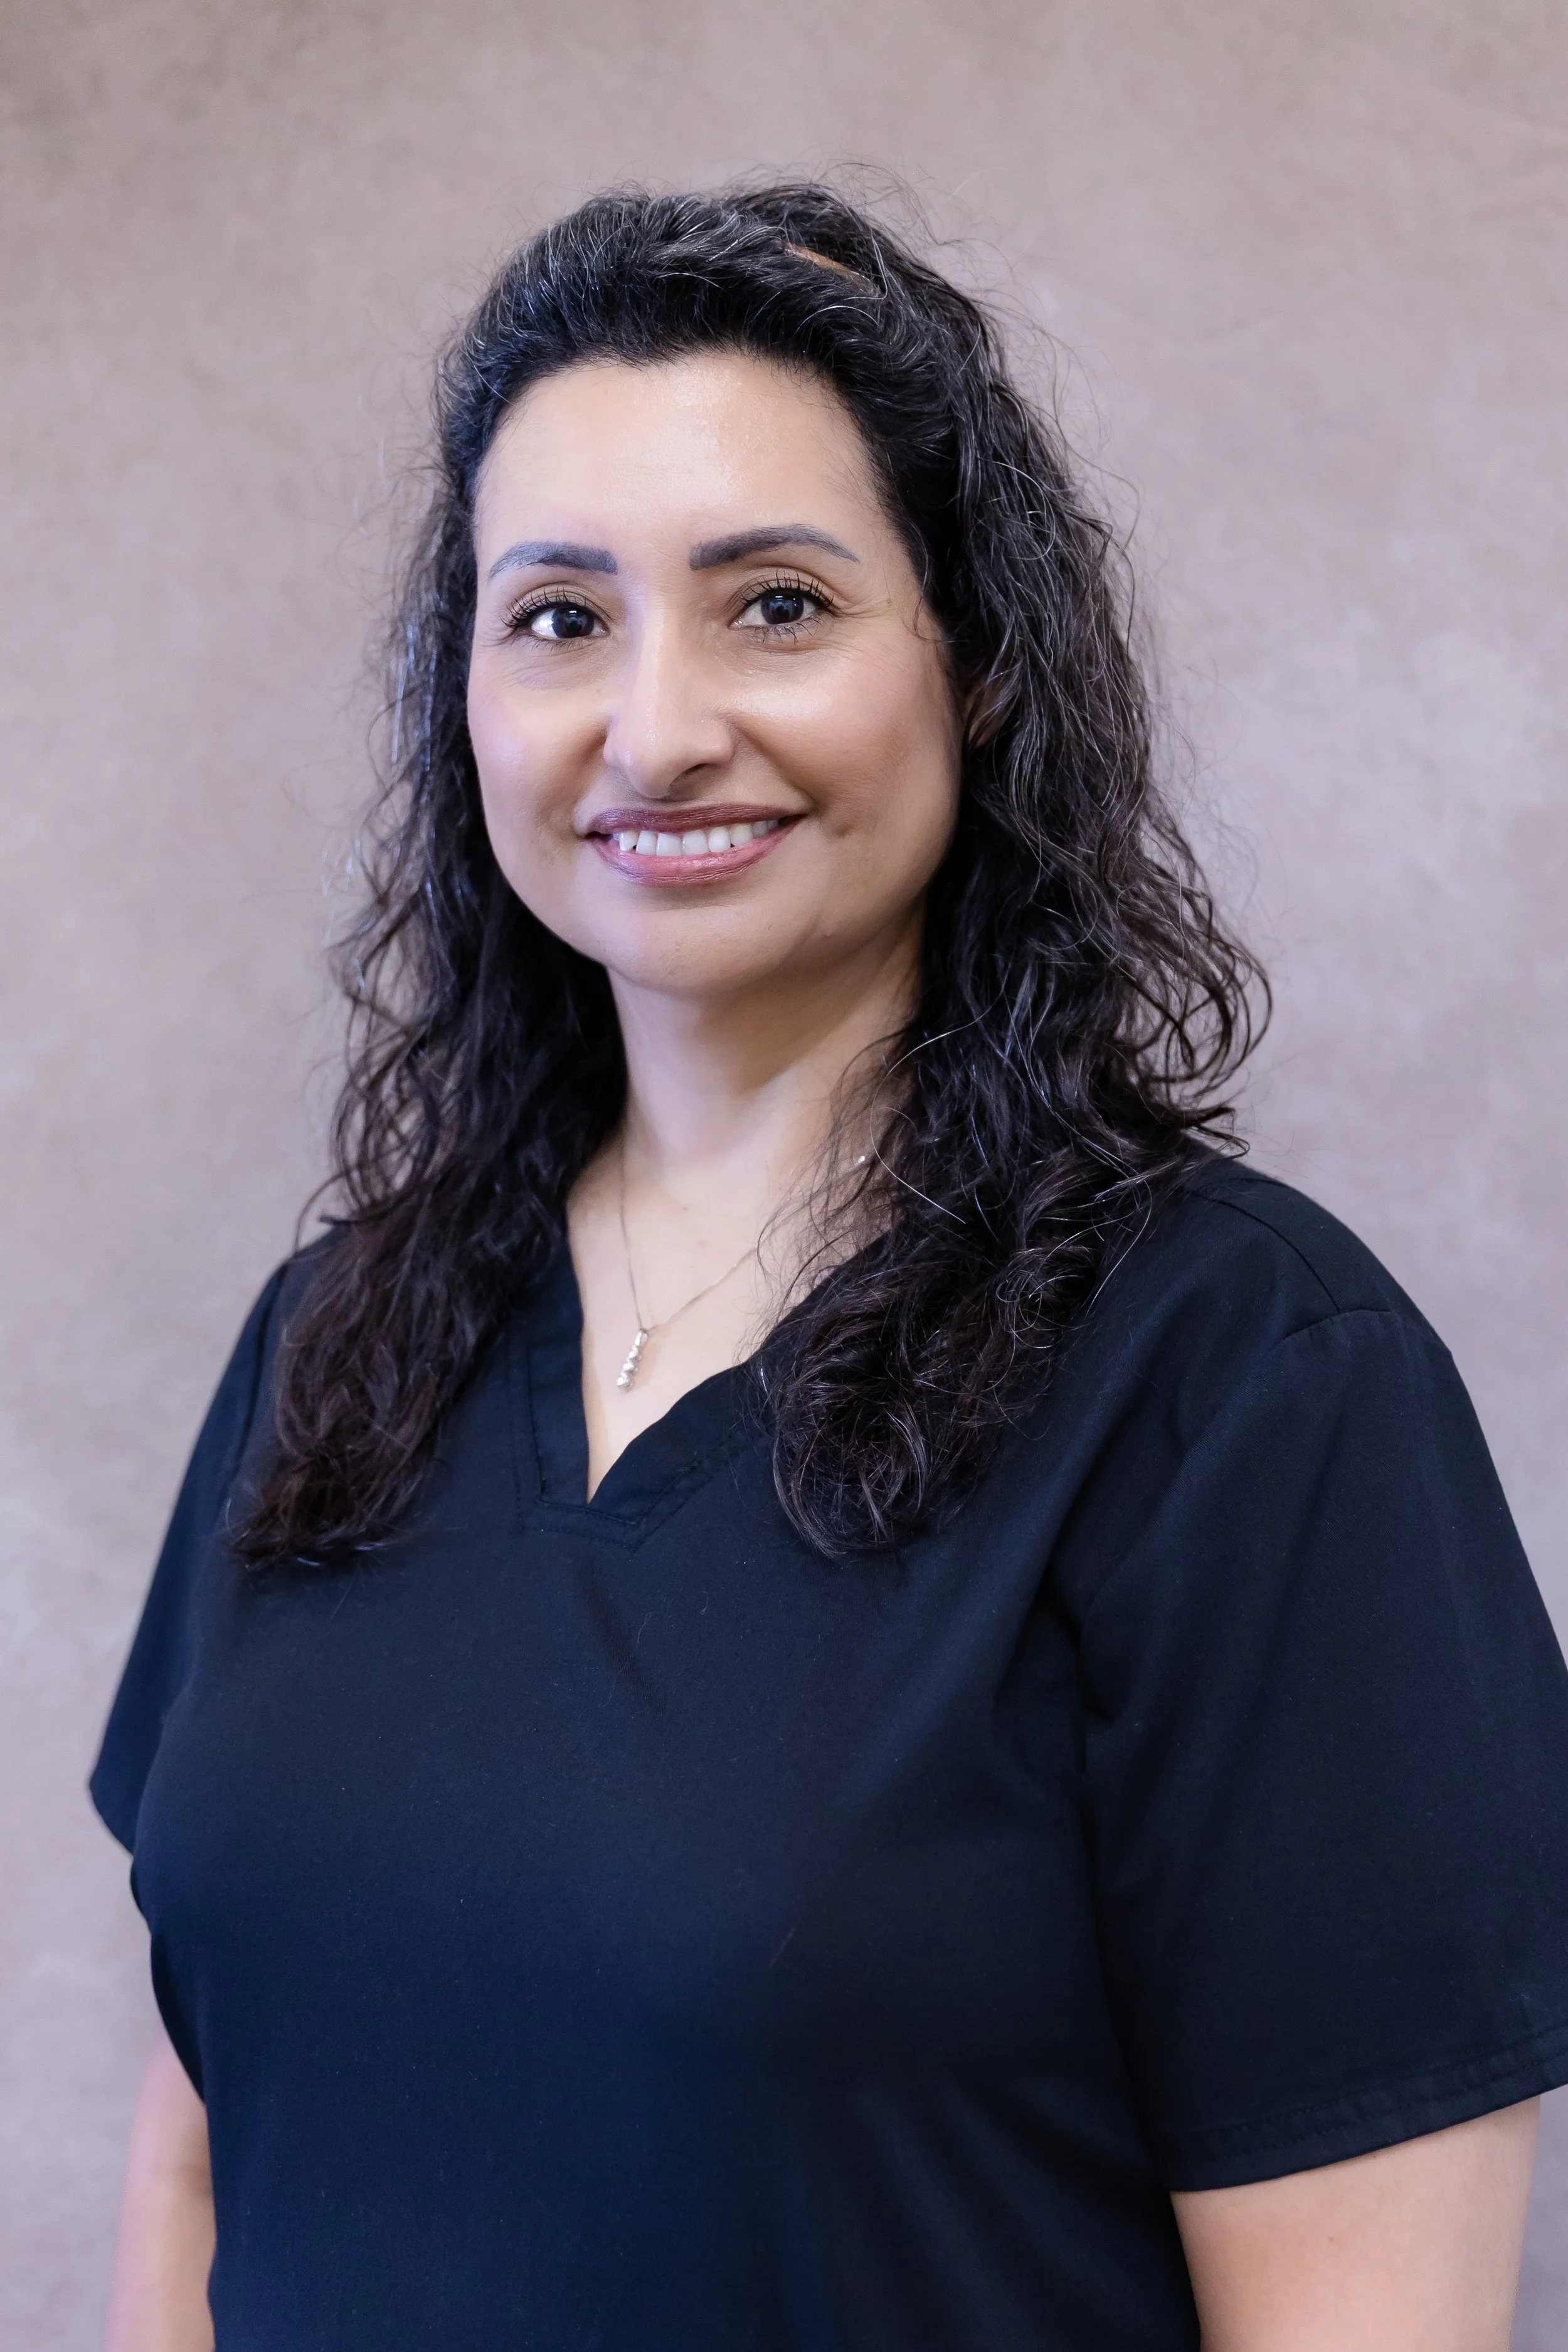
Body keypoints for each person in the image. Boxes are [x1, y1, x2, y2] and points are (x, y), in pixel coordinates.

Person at [94, 184, 1568, 2352]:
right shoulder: (340, 1344)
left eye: (774, 604)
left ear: (969, 672)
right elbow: (197, 2154)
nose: (657, 725)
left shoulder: (1243, 1378)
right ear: (470, 701)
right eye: (558, 618)